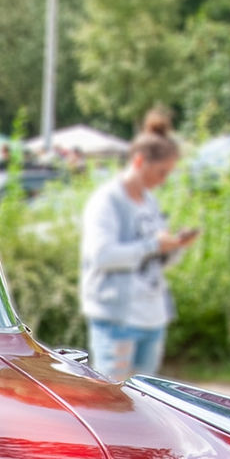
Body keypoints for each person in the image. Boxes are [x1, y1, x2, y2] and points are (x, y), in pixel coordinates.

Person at [78, 110, 199, 382]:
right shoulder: (106, 202)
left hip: (153, 318)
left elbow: (155, 257)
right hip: (117, 320)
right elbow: (101, 255)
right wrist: (152, 244)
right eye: (161, 172)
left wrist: (175, 246)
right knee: (113, 401)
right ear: (140, 161)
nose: (164, 179)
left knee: (145, 405)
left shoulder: (150, 202)